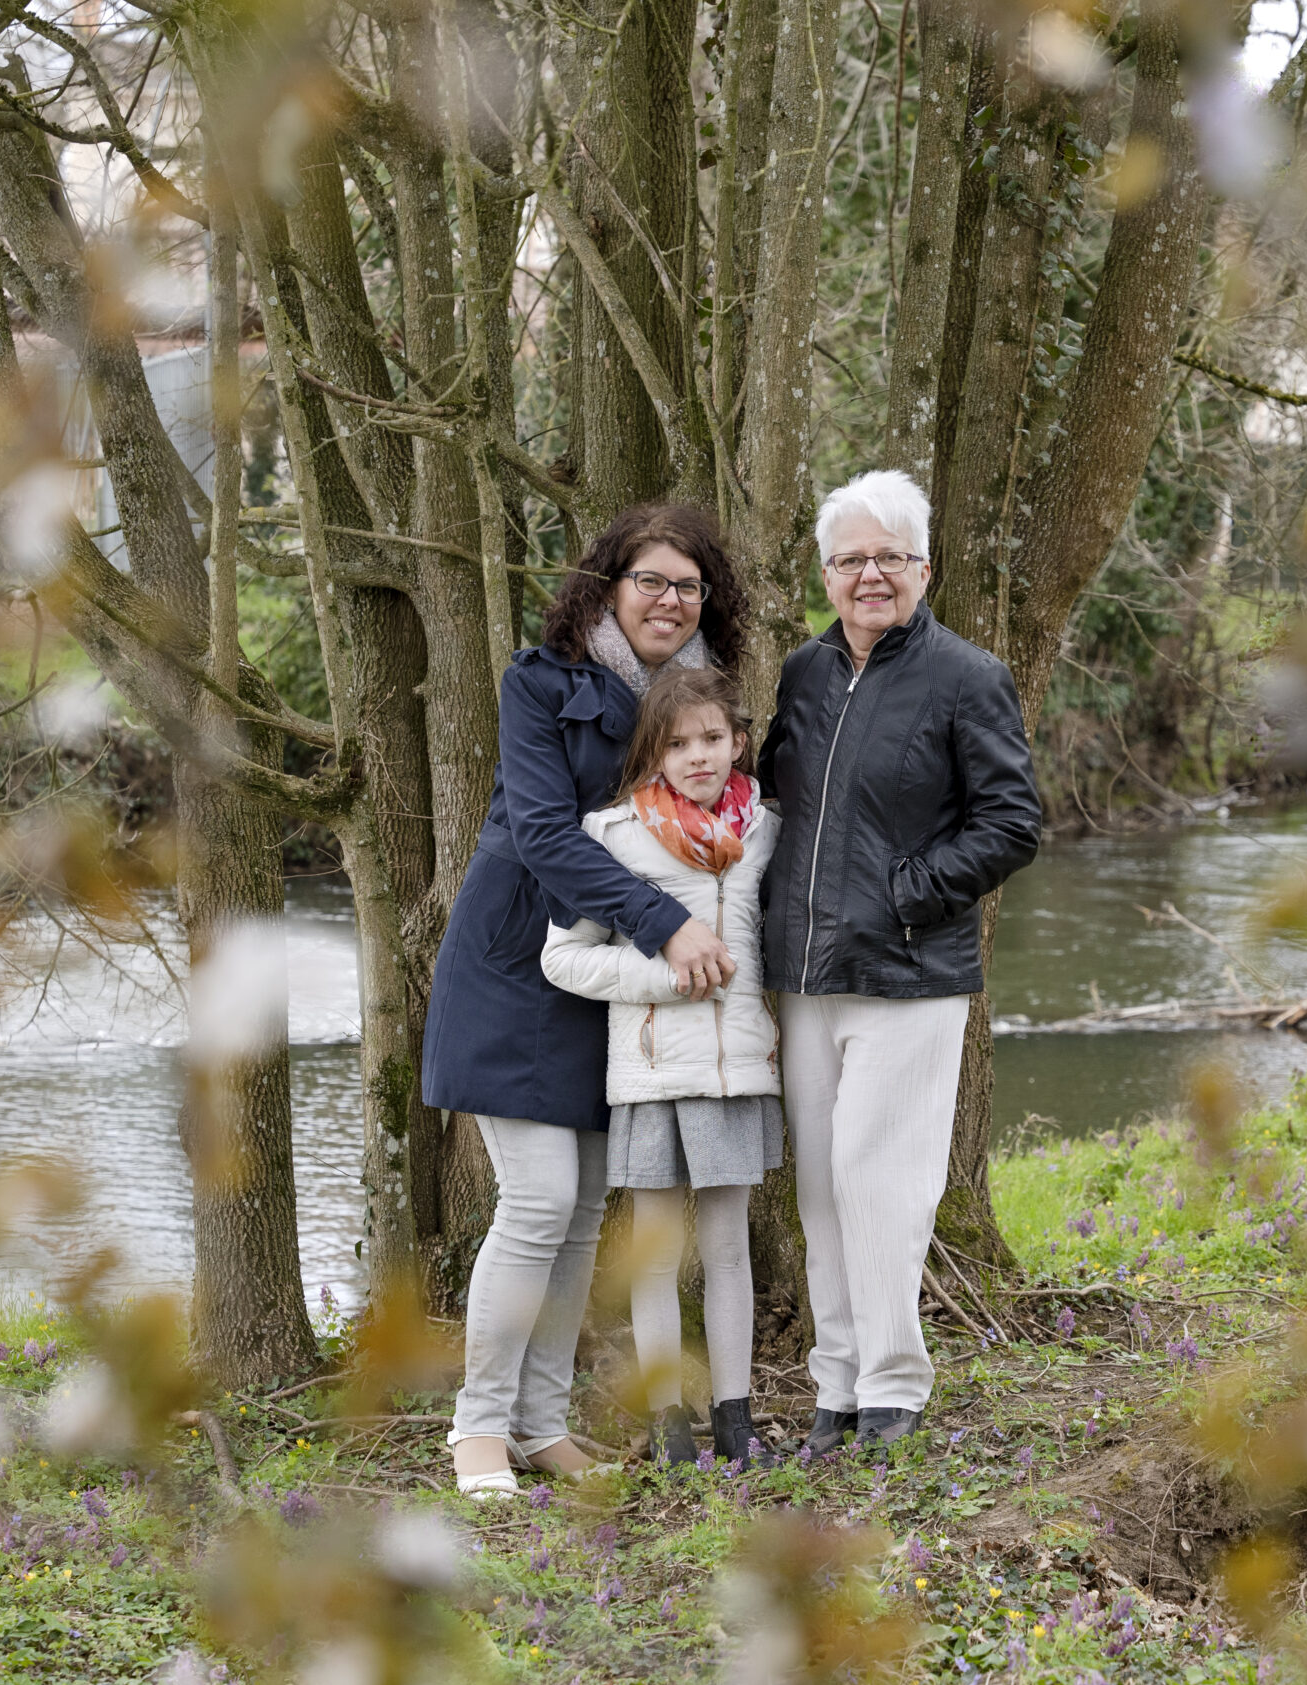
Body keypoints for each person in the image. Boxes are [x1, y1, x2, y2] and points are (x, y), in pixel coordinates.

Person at [422, 502, 750, 1499]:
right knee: (537, 1201)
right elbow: (545, 833)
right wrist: (669, 926)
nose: (667, 598)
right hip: (517, 956)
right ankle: (475, 1428)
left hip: (613, 981)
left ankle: (538, 1422)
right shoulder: (540, 683)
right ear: (607, 586)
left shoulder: (699, 706)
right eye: (649, 579)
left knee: (579, 1216)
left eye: (686, 585)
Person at [758, 468, 1043, 1458]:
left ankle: (892, 1386)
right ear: (824, 574)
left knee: (883, 1182)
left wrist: (904, 893)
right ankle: (834, 1385)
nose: (868, 576)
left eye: (889, 557)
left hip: (909, 975)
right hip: (801, 974)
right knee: (822, 1189)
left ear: (923, 567)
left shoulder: (968, 678)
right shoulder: (799, 676)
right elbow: (778, 808)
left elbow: (1012, 822)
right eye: (849, 560)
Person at [540, 668, 781, 1467]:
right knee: (655, 1254)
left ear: (739, 741)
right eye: (677, 743)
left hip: (738, 1073)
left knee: (727, 1250)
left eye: (713, 738)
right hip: (649, 1076)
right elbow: (562, 958)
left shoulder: (767, 832)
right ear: (653, 752)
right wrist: (662, 977)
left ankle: (736, 1420)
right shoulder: (613, 835)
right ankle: (671, 1427)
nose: (698, 756)